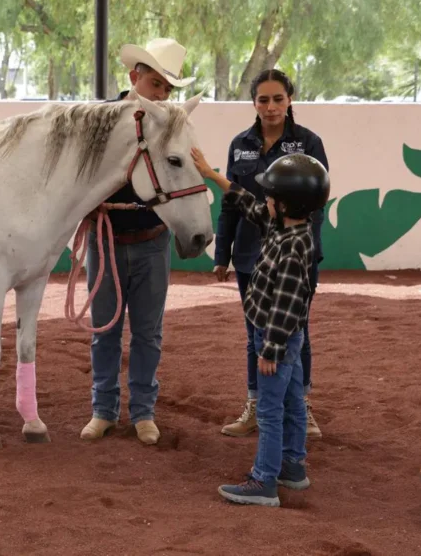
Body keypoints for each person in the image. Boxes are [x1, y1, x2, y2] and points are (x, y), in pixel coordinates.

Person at [192, 146, 330, 507]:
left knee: (269, 411)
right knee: (293, 401)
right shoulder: (282, 225)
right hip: (287, 339)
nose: (265, 199)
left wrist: (270, 349)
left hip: (276, 338)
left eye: (271, 196)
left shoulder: (295, 248)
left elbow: (287, 305)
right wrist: (211, 173)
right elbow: (243, 200)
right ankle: (293, 468)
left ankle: (263, 481)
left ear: (285, 204)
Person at [79, 38, 196, 445]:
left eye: (167, 88)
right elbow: (77, 179)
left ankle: (143, 412)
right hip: (106, 239)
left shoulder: (173, 124)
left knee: (148, 332)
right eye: (156, 84)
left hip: (152, 240)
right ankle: (103, 409)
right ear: (134, 78)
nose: (162, 94)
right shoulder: (100, 120)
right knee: (104, 330)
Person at [214, 69, 330, 439]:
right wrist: (222, 253)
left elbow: (316, 203)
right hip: (251, 258)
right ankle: (255, 403)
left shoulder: (309, 143)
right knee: (255, 336)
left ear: (290, 99)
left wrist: (301, 250)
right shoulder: (240, 144)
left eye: (278, 98)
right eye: (263, 100)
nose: (270, 107)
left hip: (294, 258)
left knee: (298, 332)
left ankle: (302, 406)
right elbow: (232, 203)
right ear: (253, 103)